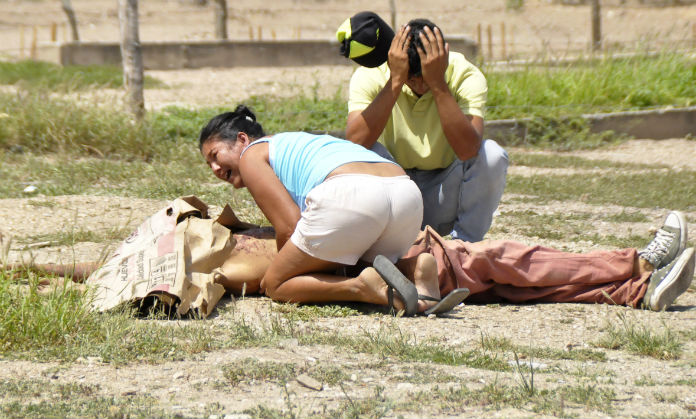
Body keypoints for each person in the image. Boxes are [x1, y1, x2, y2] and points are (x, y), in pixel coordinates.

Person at [15, 209, 693, 313]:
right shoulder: (201, 263)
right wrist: (32, 268)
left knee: (498, 274)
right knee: (499, 259)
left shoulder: (244, 232)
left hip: (377, 261)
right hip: (381, 270)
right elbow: (103, 269)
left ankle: (632, 290)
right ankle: (637, 258)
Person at [198, 104, 468, 316]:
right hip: (405, 195)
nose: (215, 169)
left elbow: (289, 227)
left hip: (352, 195)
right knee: (349, 264)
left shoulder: (251, 156)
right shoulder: (299, 140)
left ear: (242, 139)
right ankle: (416, 269)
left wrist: (285, 267)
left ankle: (361, 289)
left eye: (215, 155)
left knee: (275, 284)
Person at [338, 13, 509, 242]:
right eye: (412, 77)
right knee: (364, 154)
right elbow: (354, 143)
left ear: (442, 58)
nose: (419, 84)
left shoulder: (465, 74)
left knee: (492, 155)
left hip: (443, 196)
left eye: (423, 76)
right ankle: (380, 242)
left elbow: (469, 150)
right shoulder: (372, 74)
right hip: (395, 194)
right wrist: (396, 80)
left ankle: (464, 246)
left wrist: (438, 84)